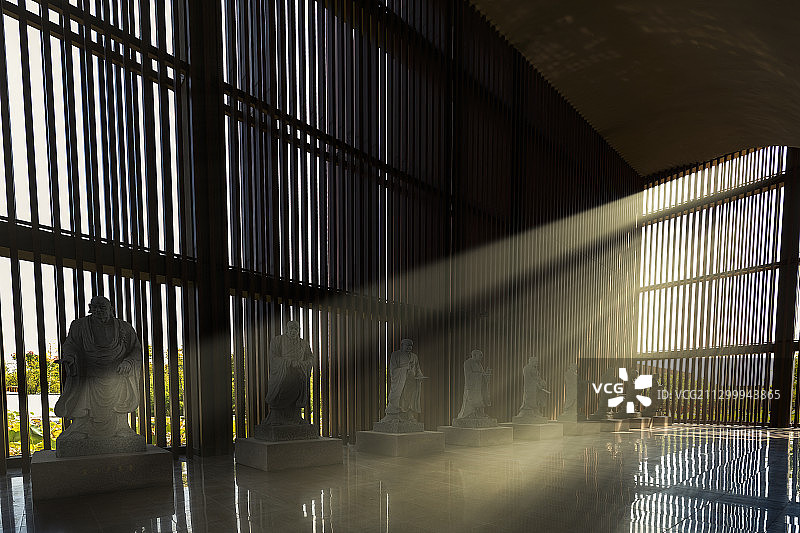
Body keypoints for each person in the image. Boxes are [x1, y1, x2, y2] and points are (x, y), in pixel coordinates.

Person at [54, 295, 144, 454]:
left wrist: (128, 363)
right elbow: (71, 345)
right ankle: (80, 429)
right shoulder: (79, 326)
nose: (97, 311)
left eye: (102, 307)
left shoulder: (124, 327)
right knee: (83, 399)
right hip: (89, 372)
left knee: (119, 400)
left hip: (116, 373)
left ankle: (121, 427)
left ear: (111, 309)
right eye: (94, 307)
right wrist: (69, 357)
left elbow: (135, 350)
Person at [265, 320, 314, 424]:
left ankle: (295, 416)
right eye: (291, 328)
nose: (293, 331)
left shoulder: (303, 343)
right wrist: (288, 363)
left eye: (295, 329)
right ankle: (277, 417)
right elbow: (273, 357)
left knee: (297, 394)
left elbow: (310, 357)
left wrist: (305, 363)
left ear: (299, 330)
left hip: (299, 373)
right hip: (283, 373)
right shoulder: (278, 340)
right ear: (286, 329)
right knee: (282, 392)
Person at [380, 339, 426, 422]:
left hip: (411, 382)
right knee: (398, 397)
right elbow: (393, 370)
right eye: (407, 345)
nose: (409, 347)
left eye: (411, 346)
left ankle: (408, 414)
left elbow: (417, 369)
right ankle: (394, 414)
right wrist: (405, 370)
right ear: (402, 345)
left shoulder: (414, 356)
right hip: (400, 381)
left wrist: (420, 376)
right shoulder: (396, 355)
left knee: (409, 398)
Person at [457, 349, 492, 419]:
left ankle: (480, 413)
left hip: (479, 387)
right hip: (472, 386)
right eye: (480, 356)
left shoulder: (479, 364)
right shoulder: (467, 363)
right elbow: (468, 375)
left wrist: (486, 375)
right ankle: (470, 414)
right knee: (471, 401)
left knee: (481, 399)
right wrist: (481, 376)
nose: (481, 358)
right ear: (474, 355)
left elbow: (482, 374)